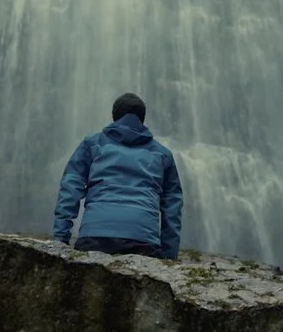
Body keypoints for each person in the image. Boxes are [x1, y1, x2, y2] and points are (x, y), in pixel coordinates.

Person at [52, 92, 184, 259]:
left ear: (114, 117)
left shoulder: (92, 144)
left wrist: (60, 240)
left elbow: (70, 189)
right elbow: (172, 208)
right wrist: (169, 257)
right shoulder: (163, 154)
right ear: (142, 119)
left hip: (95, 236)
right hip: (144, 240)